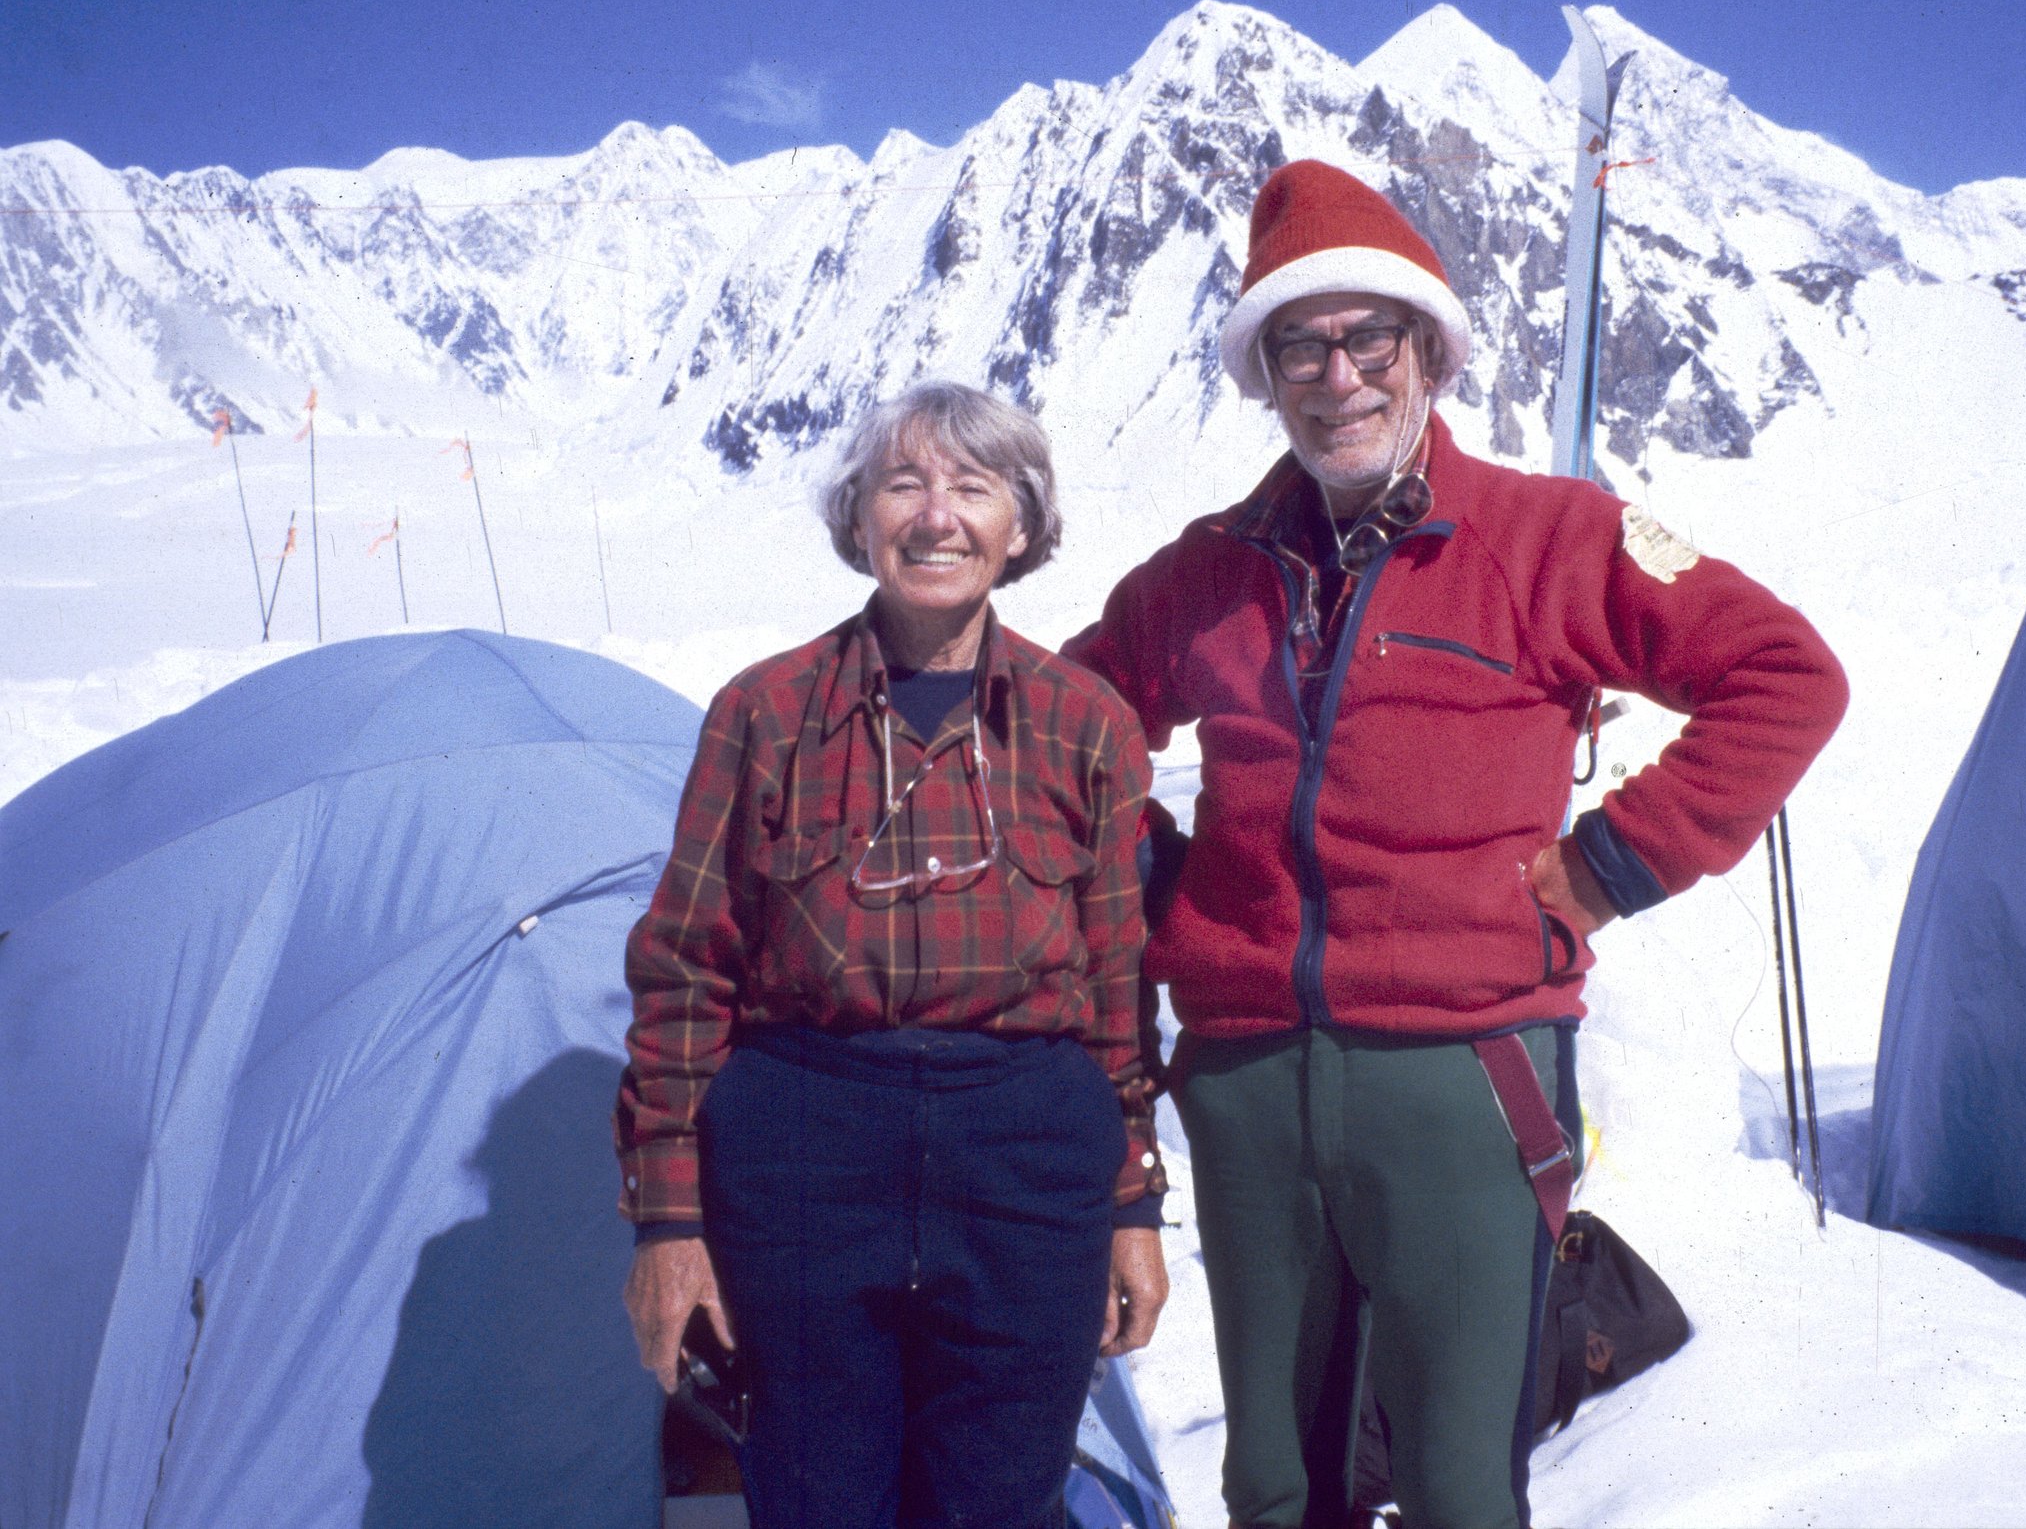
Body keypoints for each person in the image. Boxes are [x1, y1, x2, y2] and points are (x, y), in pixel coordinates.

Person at [1065, 160, 1850, 1529]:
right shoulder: (1204, 569)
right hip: (1247, 1086)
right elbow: (1062, 730)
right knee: (1274, 1483)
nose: (1339, 374)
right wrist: (1158, 866)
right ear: (1264, 375)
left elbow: (1786, 675)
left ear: (1429, 349)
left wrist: (1611, 864)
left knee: (1458, 1485)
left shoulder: (1551, 538)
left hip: (1467, 1077)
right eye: (1298, 345)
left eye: (1371, 335)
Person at [615, 381, 1170, 1529]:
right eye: (903, 483)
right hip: (805, 1150)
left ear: (1020, 526)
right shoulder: (762, 713)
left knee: (1001, 1503)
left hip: (1024, 1159)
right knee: (816, 1499)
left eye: (974, 487)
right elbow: (684, 973)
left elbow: (1119, 985)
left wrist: (1131, 1206)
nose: (936, 517)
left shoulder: (1086, 723)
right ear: (858, 517)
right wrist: (669, 1226)